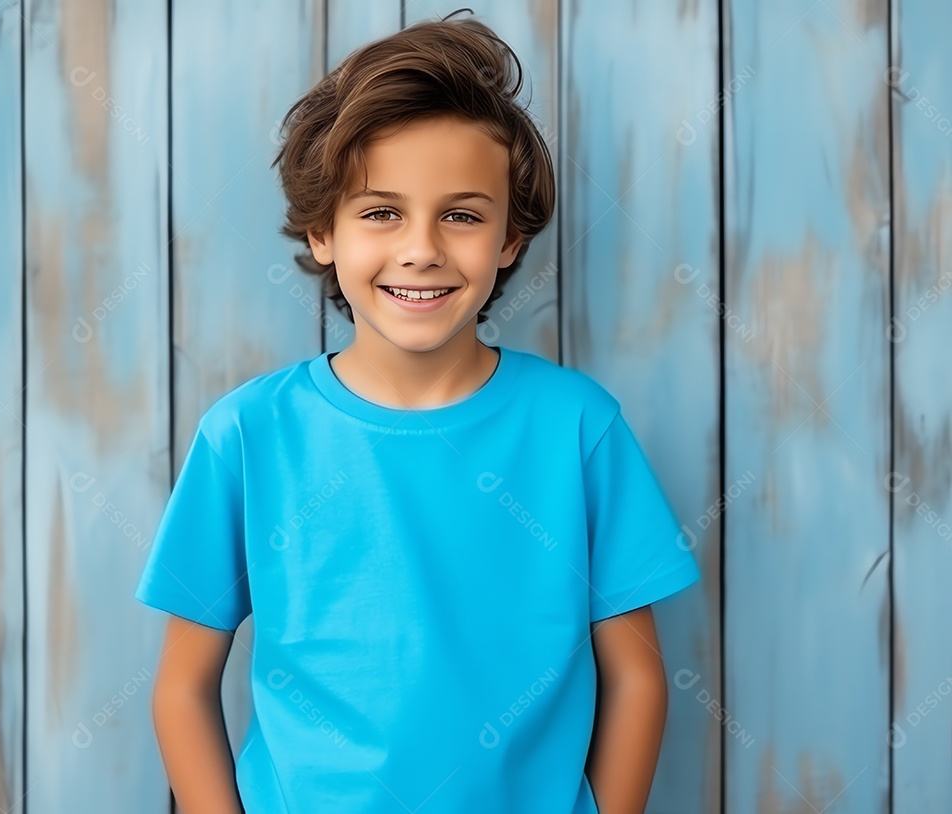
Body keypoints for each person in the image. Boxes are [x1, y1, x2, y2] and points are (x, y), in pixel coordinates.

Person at [134, 8, 700, 814]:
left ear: (510, 239)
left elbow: (639, 675)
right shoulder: (247, 436)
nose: (422, 248)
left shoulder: (578, 428)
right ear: (323, 230)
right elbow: (183, 687)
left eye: (462, 215)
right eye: (381, 212)